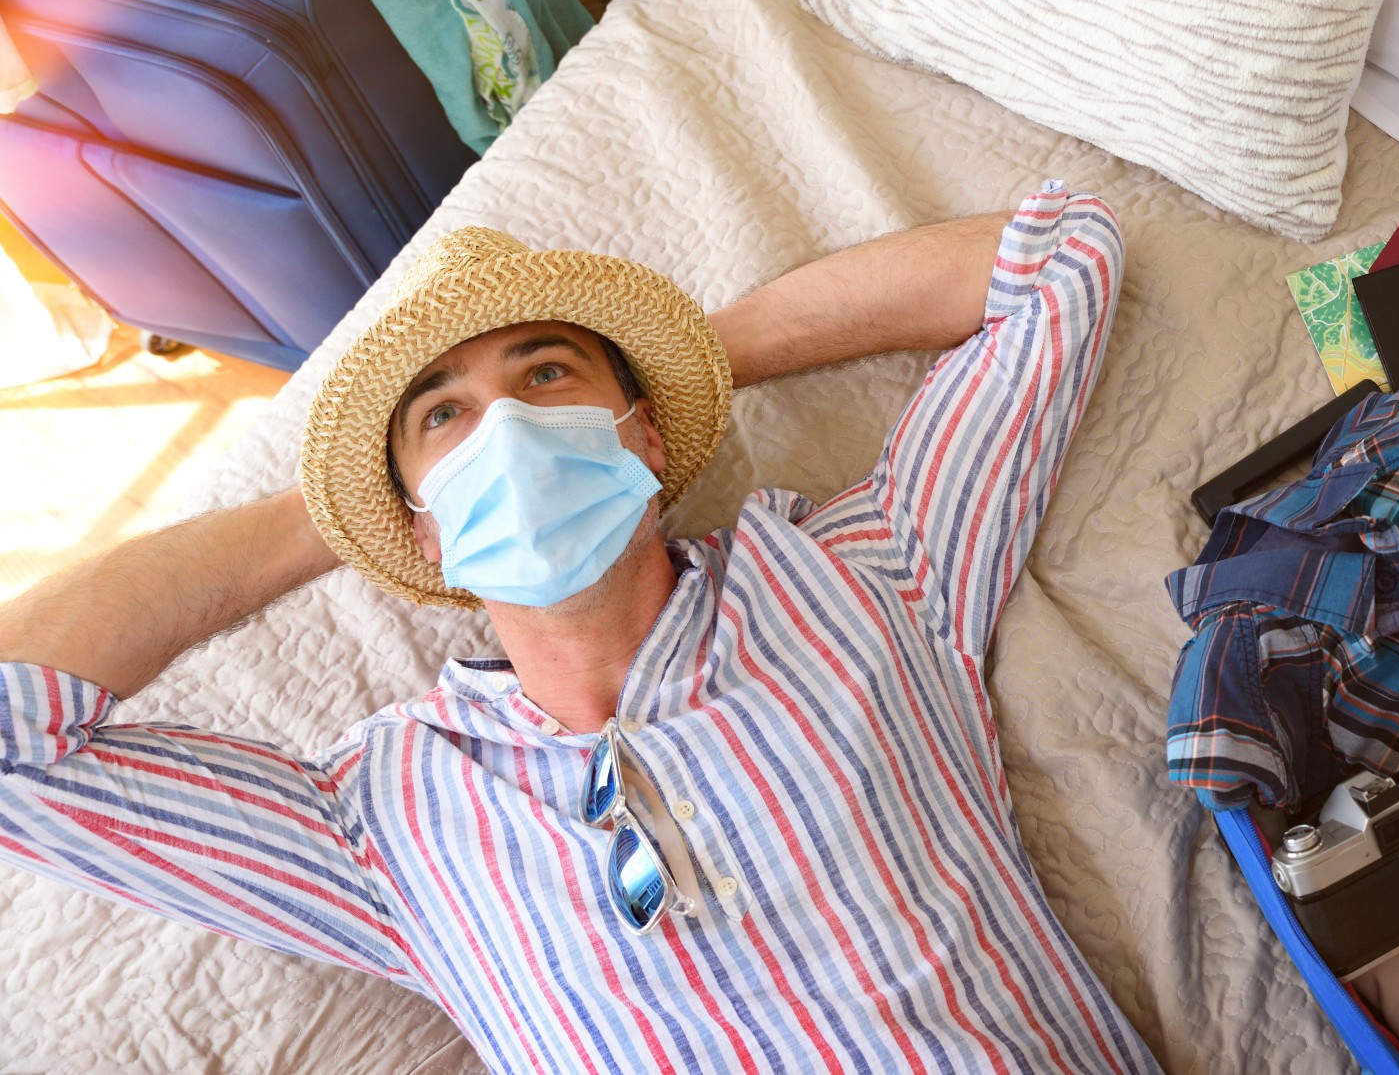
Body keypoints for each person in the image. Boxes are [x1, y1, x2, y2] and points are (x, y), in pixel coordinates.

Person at [0, 183, 1162, 1074]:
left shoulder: (869, 574)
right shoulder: (383, 821)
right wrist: (341, 517)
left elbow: (1056, 260)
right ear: (426, 539)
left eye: (546, 373)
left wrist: (696, 359)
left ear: (645, 439)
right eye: (445, 417)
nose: (503, 425)